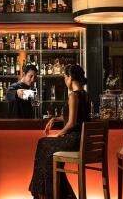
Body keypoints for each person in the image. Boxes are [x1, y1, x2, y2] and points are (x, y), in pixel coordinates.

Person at [29, 64, 89, 199]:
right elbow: (72, 116)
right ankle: (55, 194)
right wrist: (55, 119)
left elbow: (72, 122)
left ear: (70, 78)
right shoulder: (84, 95)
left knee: (43, 143)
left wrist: (59, 133)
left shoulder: (73, 95)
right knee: (50, 157)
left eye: (64, 77)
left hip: (73, 139)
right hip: (81, 139)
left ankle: (42, 193)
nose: (64, 80)